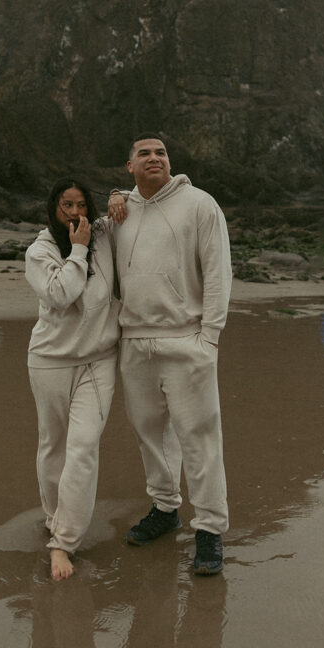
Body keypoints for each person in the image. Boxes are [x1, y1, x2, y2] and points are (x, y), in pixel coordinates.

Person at [110, 134, 232, 576]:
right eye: (143, 153)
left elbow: (219, 271)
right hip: (134, 341)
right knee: (150, 434)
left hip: (187, 339)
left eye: (161, 152)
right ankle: (165, 509)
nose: (154, 158)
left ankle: (210, 530)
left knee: (199, 436)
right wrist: (115, 197)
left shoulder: (200, 204)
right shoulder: (119, 212)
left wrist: (210, 337)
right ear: (129, 166)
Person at [25, 178, 125, 581]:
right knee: (53, 447)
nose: (75, 213)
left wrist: (118, 192)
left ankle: (63, 542)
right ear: (53, 208)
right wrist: (79, 249)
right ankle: (54, 516)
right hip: (49, 360)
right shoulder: (40, 250)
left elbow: (135, 203)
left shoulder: (102, 232)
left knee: (82, 449)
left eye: (81, 204)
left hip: (98, 360)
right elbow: (60, 294)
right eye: (66, 205)